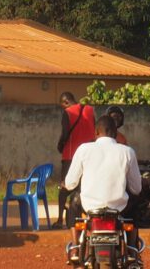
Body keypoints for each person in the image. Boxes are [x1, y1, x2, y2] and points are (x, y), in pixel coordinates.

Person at [63, 115, 143, 267]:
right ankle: (132, 250)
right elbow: (136, 188)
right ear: (115, 133)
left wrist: (66, 184)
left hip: (90, 208)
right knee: (136, 202)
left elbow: (70, 183)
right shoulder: (127, 152)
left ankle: (75, 247)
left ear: (96, 133)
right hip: (118, 209)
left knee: (73, 200)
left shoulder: (83, 149)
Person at [55, 92, 95, 228]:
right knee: (84, 187)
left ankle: (60, 219)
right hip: (89, 156)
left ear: (66, 102)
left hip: (70, 155)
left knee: (64, 188)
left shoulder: (68, 113)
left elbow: (65, 133)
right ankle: (86, 219)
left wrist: (60, 145)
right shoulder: (90, 110)